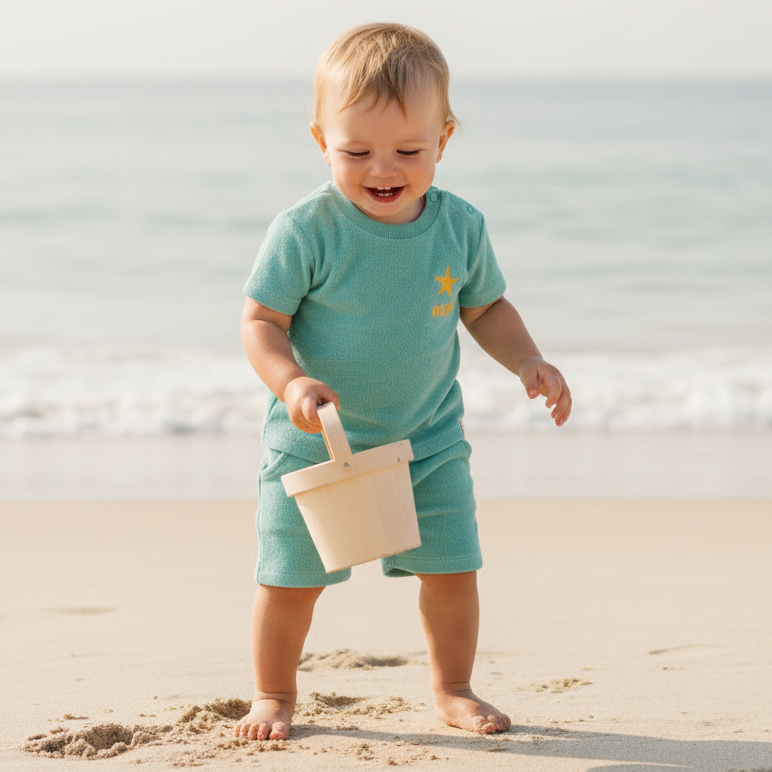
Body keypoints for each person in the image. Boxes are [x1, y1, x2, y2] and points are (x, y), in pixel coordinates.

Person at [234, 22, 572, 742]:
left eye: (409, 151)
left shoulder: (459, 227)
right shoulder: (306, 230)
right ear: (321, 140)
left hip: (428, 440)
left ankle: (452, 686)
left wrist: (527, 360)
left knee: (453, 570)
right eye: (356, 151)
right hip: (316, 444)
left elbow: (484, 307)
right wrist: (291, 382)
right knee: (290, 580)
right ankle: (273, 693)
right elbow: (260, 321)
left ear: (444, 139)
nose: (383, 168)